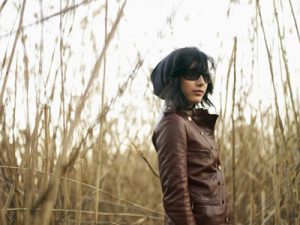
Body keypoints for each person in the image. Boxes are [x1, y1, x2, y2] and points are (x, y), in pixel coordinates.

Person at [151, 47, 233, 225]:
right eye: (192, 74)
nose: (201, 82)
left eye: (205, 75)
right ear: (174, 79)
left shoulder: (193, 123)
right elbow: (176, 197)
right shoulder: (173, 123)